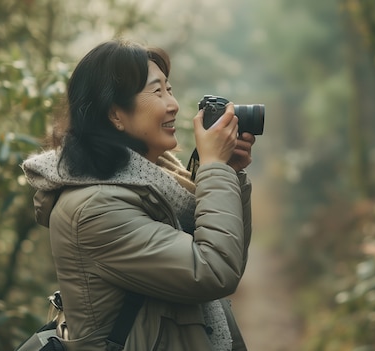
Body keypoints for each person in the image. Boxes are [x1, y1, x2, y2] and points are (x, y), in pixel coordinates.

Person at [21, 38, 255, 350]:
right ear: (115, 115)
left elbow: (230, 250)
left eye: (169, 89)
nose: (173, 104)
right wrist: (213, 166)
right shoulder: (94, 208)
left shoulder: (159, 186)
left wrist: (229, 171)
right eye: (157, 91)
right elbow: (214, 270)